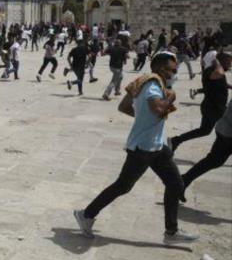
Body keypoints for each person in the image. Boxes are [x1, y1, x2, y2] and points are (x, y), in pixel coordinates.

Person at [75, 53, 198, 244]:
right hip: (143, 148)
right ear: (158, 68)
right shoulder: (152, 86)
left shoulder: (143, 81)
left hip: (157, 146)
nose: (174, 73)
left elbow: (124, 107)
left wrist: (142, 117)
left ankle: (171, 233)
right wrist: (170, 98)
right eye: (171, 70)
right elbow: (158, 109)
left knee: (175, 184)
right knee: (123, 186)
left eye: (175, 70)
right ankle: (86, 214)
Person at [169, 52, 230, 153]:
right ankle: (217, 155)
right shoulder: (211, 71)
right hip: (214, 108)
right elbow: (218, 75)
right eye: (228, 62)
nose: (230, 65)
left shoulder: (217, 72)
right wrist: (217, 62)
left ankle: (175, 140)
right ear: (219, 61)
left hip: (214, 107)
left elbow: (219, 83)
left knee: (204, 131)